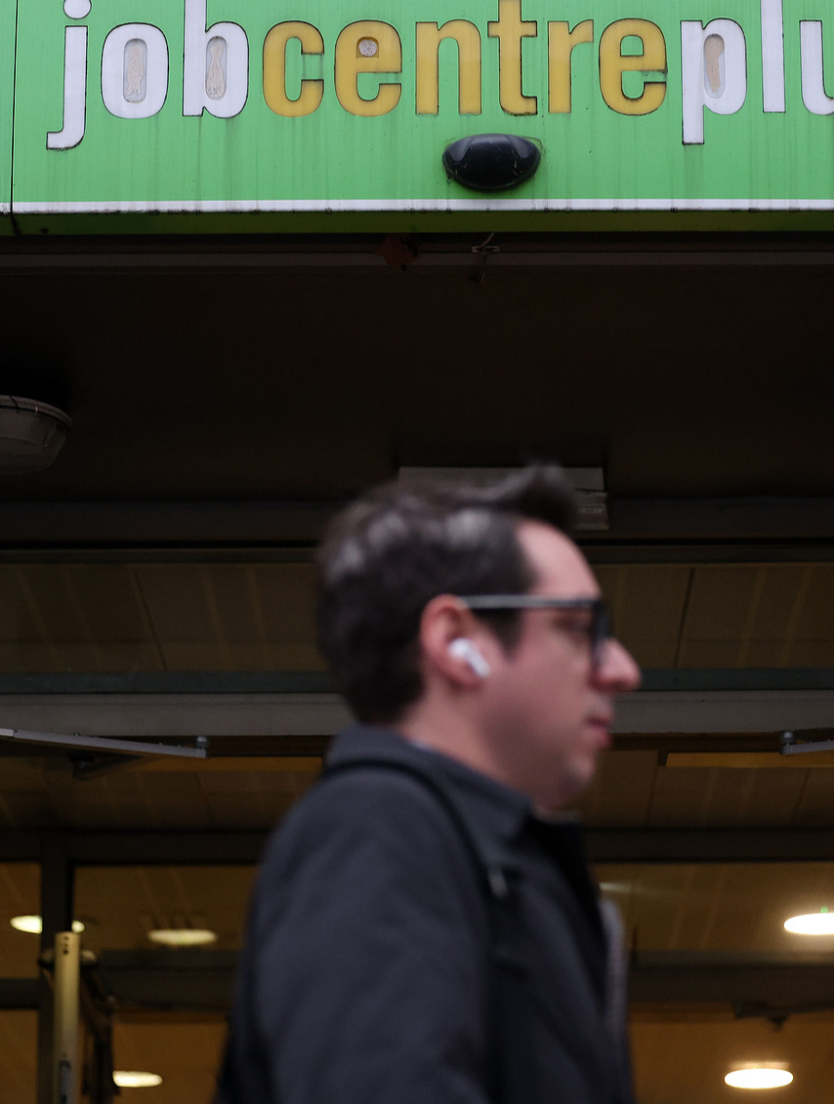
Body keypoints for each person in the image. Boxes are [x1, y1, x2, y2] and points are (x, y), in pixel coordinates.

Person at [216, 466, 642, 1104]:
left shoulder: (461, 852)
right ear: (455, 641)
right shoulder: (377, 829)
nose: (622, 670)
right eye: (580, 629)